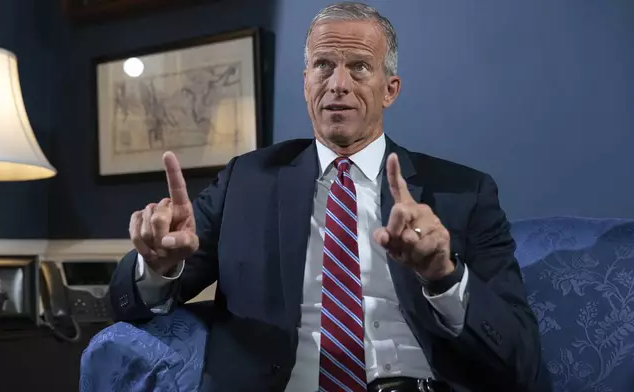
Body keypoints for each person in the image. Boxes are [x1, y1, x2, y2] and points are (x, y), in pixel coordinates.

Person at [109, 2, 550, 391]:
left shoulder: (464, 192)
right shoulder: (247, 180)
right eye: (323, 65)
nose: (338, 83)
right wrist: (158, 265)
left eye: (359, 66)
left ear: (390, 89)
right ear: (306, 83)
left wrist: (443, 277)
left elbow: (521, 358)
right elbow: (128, 301)